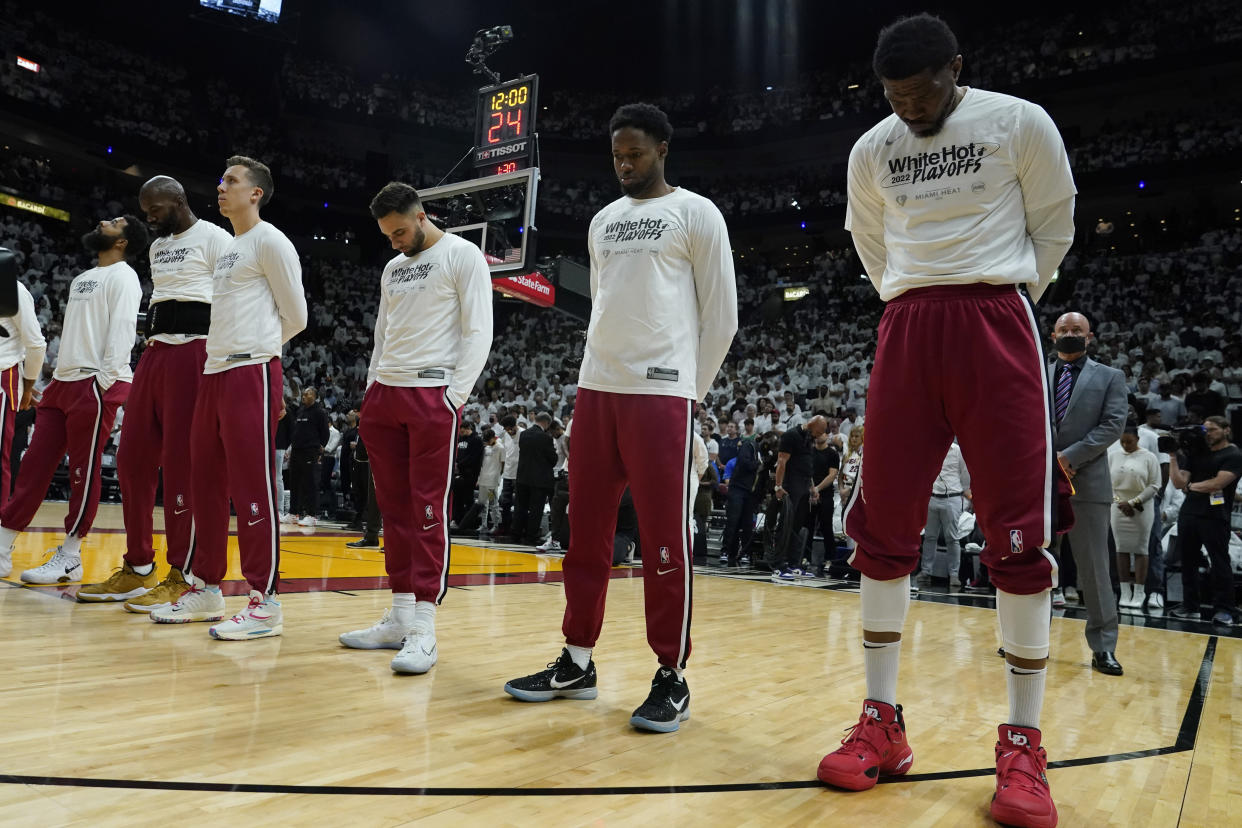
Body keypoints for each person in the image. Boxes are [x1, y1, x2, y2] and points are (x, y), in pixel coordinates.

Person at [820, 15, 1077, 828]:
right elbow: (870, 241)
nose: (910, 109)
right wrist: (913, 295)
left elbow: (1055, 224)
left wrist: (1001, 299)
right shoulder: (872, 149)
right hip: (906, 325)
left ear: (956, 70)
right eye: (896, 99)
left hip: (997, 318)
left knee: (1017, 533)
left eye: (923, 94)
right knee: (883, 528)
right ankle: (881, 724)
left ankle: (1023, 744)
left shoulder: (1018, 120)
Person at [504, 103, 737, 733]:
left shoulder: (696, 213)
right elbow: (605, 305)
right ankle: (577, 660)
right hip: (596, 388)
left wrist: (689, 391)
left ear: (662, 147)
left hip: (663, 395)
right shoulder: (604, 221)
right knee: (585, 535)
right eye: (616, 155)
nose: (624, 164)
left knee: (664, 538)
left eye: (634, 153)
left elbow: (723, 316)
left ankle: (671, 675)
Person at [338, 180, 492, 674]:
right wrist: (370, 392)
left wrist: (454, 397)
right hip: (386, 395)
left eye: (401, 231)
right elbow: (382, 334)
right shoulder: (392, 267)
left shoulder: (463, 255)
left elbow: (479, 330)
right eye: (388, 235)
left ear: (421, 216)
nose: (395, 242)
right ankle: (400, 617)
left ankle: (424, 626)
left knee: (428, 508)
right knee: (392, 508)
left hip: (433, 394)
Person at [151, 156, 307, 639]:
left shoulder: (271, 240)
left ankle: (266, 601)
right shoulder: (229, 249)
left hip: (251, 370)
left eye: (231, 181)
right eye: (221, 180)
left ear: (255, 192)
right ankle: (207, 587)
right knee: (205, 483)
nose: (221, 187)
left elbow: (296, 315)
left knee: (251, 486)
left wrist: (259, 350)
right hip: (213, 371)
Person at [78, 176, 232, 609]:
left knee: (183, 465)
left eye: (155, 209)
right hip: (157, 351)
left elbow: (231, 299)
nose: (148, 217)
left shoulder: (216, 238)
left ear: (179, 201)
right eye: (145, 209)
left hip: (196, 351)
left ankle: (183, 571)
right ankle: (139, 566)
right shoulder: (158, 246)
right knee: (132, 458)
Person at [2, 217, 145, 583]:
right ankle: (2, 548)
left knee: (83, 471)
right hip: (62, 382)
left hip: (95, 383)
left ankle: (70, 554)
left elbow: (122, 331)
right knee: (33, 467)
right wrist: (52, 380)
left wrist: (103, 381)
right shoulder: (83, 277)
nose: (102, 221)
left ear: (123, 242)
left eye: (113, 223)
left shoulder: (125, 277)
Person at [1049, 311, 1128, 675]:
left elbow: (1113, 424)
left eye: (1076, 330)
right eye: (1063, 329)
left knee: (1095, 570)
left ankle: (1103, 647)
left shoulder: (1110, 376)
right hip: (1040, 484)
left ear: (1089, 336)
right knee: (1034, 567)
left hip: (1087, 484)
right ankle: (1025, 639)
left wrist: (1069, 457)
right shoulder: (1035, 373)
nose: (1069, 333)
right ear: (1052, 335)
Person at [1168, 416, 1242, 626]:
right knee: (1188, 561)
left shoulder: (1233, 454)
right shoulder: (1197, 453)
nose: (1207, 433)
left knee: (1219, 561)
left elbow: (1218, 483)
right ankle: (1190, 606)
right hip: (1189, 512)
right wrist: (1173, 456)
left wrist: (1191, 487)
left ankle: (1225, 609)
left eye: (1212, 429)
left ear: (1226, 430)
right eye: (1205, 430)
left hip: (1215, 515)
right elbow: (1178, 482)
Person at [0, 280, 46, 511]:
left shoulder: (13, 288)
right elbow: (36, 345)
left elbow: (36, 344)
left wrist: (27, 385)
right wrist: (27, 384)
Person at [1108, 427, 1161, 609]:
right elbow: (1107, 484)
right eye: (1122, 441)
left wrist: (1133, 502)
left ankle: (1140, 592)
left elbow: (1155, 485)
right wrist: (1120, 502)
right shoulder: (1114, 456)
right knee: (1120, 548)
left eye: (1129, 441)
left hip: (1142, 507)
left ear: (1137, 439)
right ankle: (1125, 591)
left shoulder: (1149, 457)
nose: (1125, 445)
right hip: (1117, 506)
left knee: (1141, 549)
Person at [772, 415, 828, 579]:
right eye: (820, 431)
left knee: (797, 528)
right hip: (790, 486)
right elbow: (781, 462)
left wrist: (812, 487)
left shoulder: (808, 438)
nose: (820, 435)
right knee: (785, 526)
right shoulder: (791, 435)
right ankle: (778, 566)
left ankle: (793, 564)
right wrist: (778, 486)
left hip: (803, 487)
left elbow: (807, 465)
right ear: (812, 424)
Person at [916, 441, 970, 589]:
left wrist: (964, 489)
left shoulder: (957, 450)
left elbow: (964, 472)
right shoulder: (930, 447)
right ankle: (926, 571)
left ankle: (954, 574)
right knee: (929, 537)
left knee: (953, 538)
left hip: (952, 497)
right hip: (932, 496)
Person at [512, 412, 557, 545]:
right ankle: (531, 536)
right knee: (535, 509)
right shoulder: (545, 438)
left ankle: (516, 534)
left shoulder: (524, 434)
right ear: (547, 423)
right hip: (539, 480)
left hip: (522, 477)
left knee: (520, 507)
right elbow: (553, 459)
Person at [287, 386, 329, 527]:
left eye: (307, 394)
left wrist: (320, 448)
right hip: (297, 451)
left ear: (315, 396)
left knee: (310, 483)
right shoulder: (300, 410)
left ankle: (312, 515)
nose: (304, 396)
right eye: (303, 394)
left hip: (310, 451)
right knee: (294, 482)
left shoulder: (319, 412)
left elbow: (325, 433)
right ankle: (293, 513)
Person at [477, 428, 504, 533]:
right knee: (482, 503)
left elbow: (503, 465)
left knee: (493, 503)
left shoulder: (500, 448)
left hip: (492, 482)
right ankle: (484, 525)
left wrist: (497, 478)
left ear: (494, 438)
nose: (487, 442)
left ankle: (496, 525)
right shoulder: (486, 448)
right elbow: (482, 464)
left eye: (488, 440)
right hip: (483, 479)